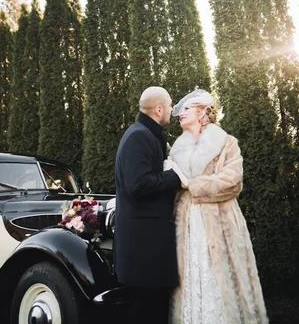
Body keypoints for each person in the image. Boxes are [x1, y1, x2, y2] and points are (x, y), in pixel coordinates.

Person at [166, 89, 269, 324]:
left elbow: (232, 182)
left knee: (219, 279)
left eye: (187, 109)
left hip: (220, 225)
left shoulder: (226, 143)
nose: (180, 113)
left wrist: (192, 185)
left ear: (202, 111)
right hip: (186, 229)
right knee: (190, 278)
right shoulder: (177, 149)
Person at [114, 86, 182, 324]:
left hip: (149, 251)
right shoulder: (139, 136)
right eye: (170, 105)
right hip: (144, 252)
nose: (173, 110)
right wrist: (176, 176)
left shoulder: (145, 133)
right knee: (146, 313)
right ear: (159, 109)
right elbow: (138, 185)